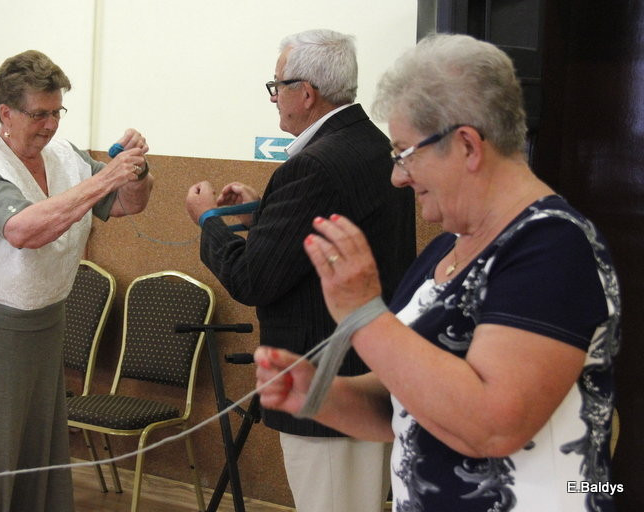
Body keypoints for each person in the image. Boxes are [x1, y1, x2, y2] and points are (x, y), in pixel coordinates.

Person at [254, 33, 621, 512]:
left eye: (404, 154)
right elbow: (402, 402)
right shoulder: (448, 249)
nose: (397, 177)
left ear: (466, 145)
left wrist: (365, 314)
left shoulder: (553, 247)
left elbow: (492, 424)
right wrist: (317, 391)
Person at [185, 29, 416, 512]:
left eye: (277, 87)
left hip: (327, 387)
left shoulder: (313, 165)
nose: (275, 99)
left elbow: (253, 280)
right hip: (368, 372)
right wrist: (264, 215)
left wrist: (209, 222)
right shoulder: (371, 144)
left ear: (305, 93)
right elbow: (323, 236)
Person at [0, 50, 153, 512]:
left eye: (56, 113)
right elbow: (24, 231)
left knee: (37, 448)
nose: (50, 125)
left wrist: (135, 169)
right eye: (39, 114)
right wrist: (103, 179)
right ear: (5, 112)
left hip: (42, 323)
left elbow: (129, 203)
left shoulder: (65, 156)